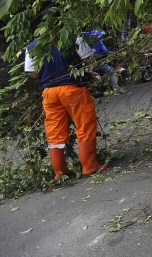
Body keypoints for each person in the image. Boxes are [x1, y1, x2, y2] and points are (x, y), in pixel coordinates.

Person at [24, 36, 109, 181]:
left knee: (54, 132)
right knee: (85, 126)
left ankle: (60, 172)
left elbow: (34, 74)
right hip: (73, 89)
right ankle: (89, 166)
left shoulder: (31, 46)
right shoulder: (73, 38)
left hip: (49, 93)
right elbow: (89, 62)